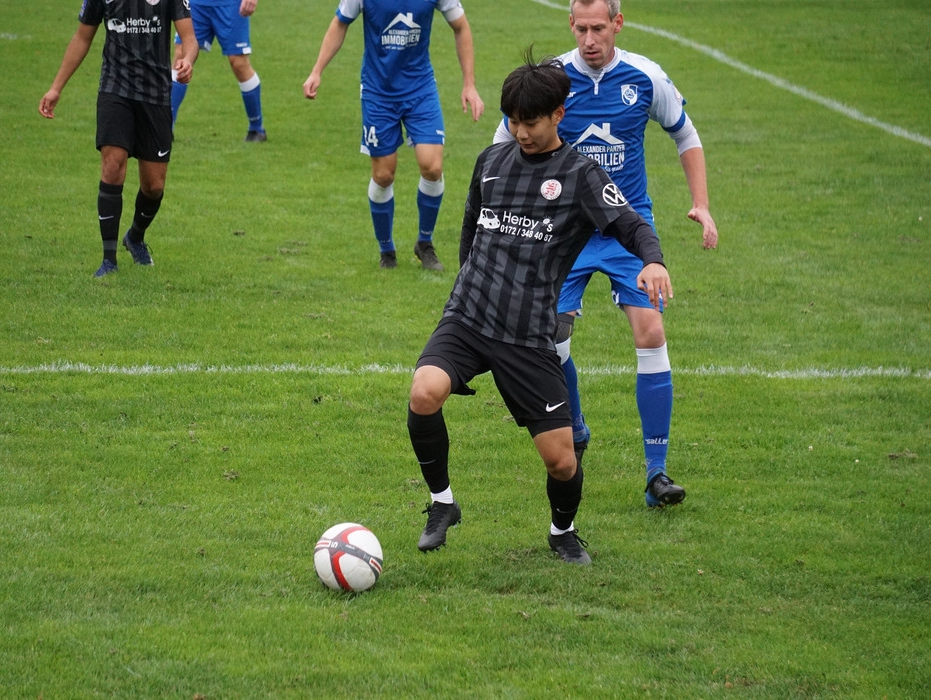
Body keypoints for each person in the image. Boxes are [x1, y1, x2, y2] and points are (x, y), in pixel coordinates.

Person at [409, 53, 672, 565]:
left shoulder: (581, 176)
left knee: (562, 462)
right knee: (424, 392)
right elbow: (471, 227)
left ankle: (562, 532)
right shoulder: (491, 162)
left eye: (530, 122)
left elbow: (631, 224)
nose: (520, 132)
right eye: (513, 121)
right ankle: (442, 504)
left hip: (528, 334)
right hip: (469, 317)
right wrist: (465, 286)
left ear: (558, 114)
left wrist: (653, 261)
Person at [493, 0, 718, 507]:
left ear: (618, 23)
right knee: (551, 338)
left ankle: (657, 473)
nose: (589, 39)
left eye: (599, 28)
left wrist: (701, 204)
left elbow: (685, 134)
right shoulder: (553, 79)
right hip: (562, 230)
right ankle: (574, 425)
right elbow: (506, 141)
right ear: (570, 25)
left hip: (626, 228)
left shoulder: (646, 77)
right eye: (581, 28)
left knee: (651, 330)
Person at [303, 0, 485, 271]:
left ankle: (424, 243)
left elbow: (461, 27)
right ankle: (386, 249)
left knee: (432, 167)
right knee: (383, 175)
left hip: (420, 89)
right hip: (378, 92)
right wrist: (317, 71)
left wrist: (469, 84)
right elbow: (340, 23)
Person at [39, 0, 198, 277]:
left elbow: (190, 38)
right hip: (115, 90)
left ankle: (135, 237)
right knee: (112, 167)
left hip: (155, 95)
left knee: (154, 186)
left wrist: (188, 60)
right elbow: (82, 37)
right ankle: (109, 260)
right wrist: (56, 88)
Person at [170, 0, 268, 142]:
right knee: (181, 54)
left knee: (238, 63)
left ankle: (256, 128)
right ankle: (166, 127)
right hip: (196, 3)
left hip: (231, 4)